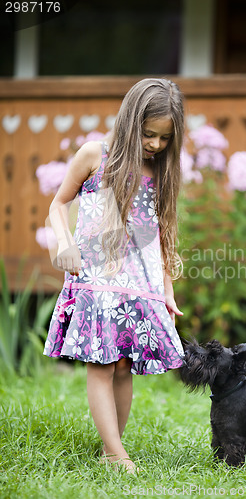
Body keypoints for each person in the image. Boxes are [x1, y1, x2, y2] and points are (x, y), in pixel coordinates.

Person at [43, 78, 185, 474]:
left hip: (138, 284)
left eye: (164, 138)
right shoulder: (95, 155)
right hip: (95, 279)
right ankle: (116, 455)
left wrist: (166, 290)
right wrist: (64, 242)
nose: (155, 144)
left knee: (123, 366)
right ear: (129, 121)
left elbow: (162, 237)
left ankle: (113, 449)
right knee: (102, 364)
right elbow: (58, 205)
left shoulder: (160, 172)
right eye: (148, 134)